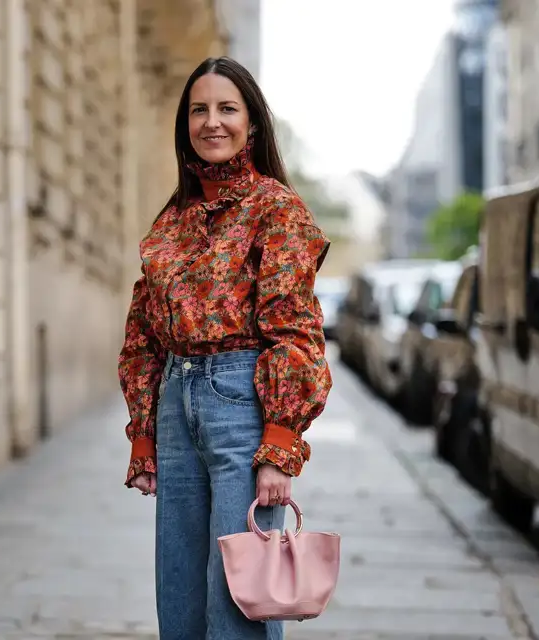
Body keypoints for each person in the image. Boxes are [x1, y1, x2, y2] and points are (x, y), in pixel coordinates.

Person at [117, 56, 332, 640]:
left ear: (253, 124)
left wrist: (280, 443)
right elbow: (141, 334)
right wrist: (144, 432)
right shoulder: (172, 221)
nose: (212, 122)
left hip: (241, 401)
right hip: (174, 405)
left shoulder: (277, 209)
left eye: (227, 109)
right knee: (180, 592)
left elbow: (296, 330)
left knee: (238, 597)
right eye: (199, 110)